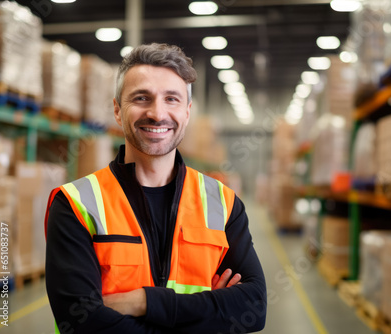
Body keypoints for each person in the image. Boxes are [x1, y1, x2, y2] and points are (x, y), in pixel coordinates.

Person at [45, 43, 267, 334]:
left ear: (187, 112)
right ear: (116, 109)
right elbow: (81, 322)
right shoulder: (76, 204)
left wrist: (145, 302)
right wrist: (209, 313)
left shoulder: (223, 203)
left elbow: (253, 308)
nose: (157, 113)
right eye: (141, 98)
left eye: (172, 99)